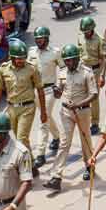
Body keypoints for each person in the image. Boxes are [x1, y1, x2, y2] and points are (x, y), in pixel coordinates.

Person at [0, 39, 47, 177]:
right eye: (18, 58)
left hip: (28, 107)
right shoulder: (3, 69)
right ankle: (31, 164)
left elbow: (40, 90)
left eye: (23, 58)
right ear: (12, 57)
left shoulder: (31, 69)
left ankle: (25, 171)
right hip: (11, 108)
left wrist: (43, 112)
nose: (21, 61)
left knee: (21, 138)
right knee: (19, 139)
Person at [43, 44, 98, 192]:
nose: (68, 63)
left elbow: (94, 94)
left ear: (77, 59)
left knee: (85, 140)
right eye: (66, 61)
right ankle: (56, 177)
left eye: (71, 60)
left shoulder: (87, 72)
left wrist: (79, 104)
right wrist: (56, 91)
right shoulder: (62, 73)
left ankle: (89, 166)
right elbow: (59, 93)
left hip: (82, 112)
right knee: (64, 143)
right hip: (66, 112)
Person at [27, 27, 63, 170]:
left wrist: (60, 85)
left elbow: (64, 69)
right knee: (46, 116)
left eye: (41, 39)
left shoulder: (55, 53)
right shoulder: (31, 52)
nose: (39, 41)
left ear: (47, 39)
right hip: (34, 90)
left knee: (43, 120)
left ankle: (40, 154)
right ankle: (56, 136)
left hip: (49, 90)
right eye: (37, 39)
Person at [77, 16, 106, 137]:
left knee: (94, 98)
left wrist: (102, 76)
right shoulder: (80, 37)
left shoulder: (99, 40)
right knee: (82, 95)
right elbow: (79, 53)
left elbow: (103, 59)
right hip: (83, 69)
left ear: (92, 29)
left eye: (88, 31)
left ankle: (95, 123)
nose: (86, 34)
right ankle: (85, 119)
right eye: (84, 32)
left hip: (95, 70)